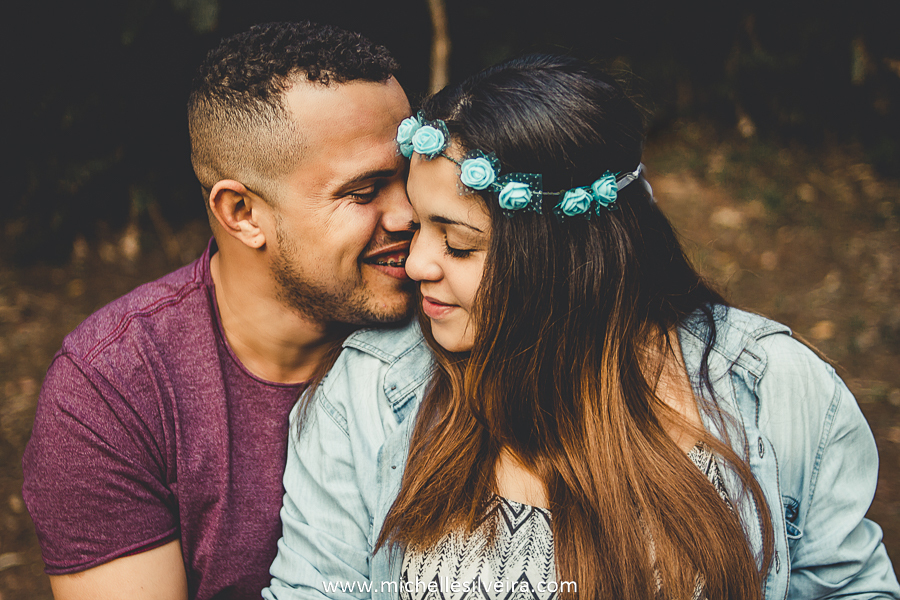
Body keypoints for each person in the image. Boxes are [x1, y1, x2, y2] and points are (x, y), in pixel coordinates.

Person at [263, 54, 900, 600]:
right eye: (420, 225)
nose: (417, 264)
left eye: (458, 243)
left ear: (567, 259)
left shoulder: (778, 390)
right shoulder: (372, 394)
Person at [22, 21, 415, 600]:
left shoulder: (459, 320)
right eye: (364, 191)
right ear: (242, 213)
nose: (410, 214)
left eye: (412, 175)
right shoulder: (115, 391)